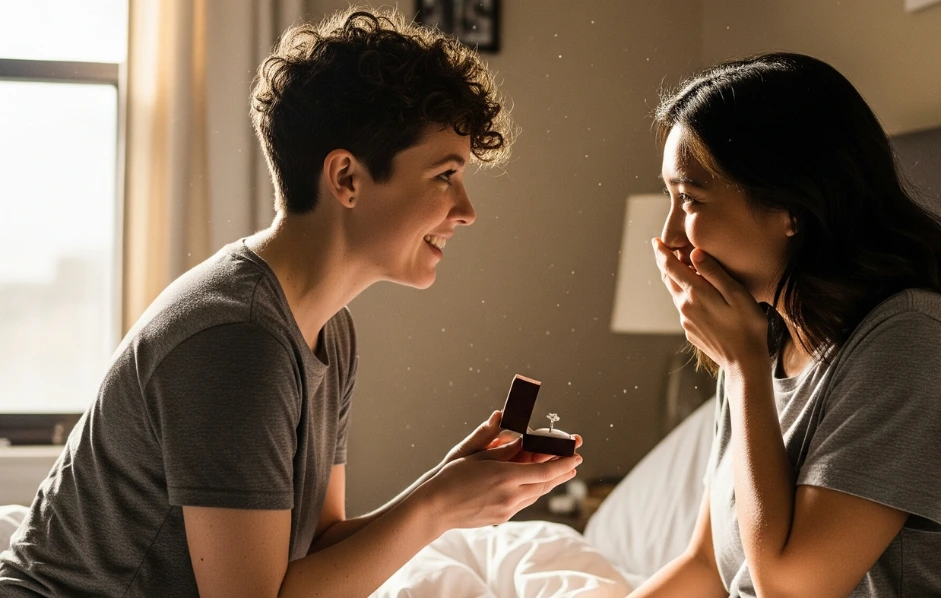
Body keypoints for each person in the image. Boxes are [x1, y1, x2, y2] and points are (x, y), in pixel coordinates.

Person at [0, 8, 581, 596]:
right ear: (347, 178)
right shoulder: (237, 340)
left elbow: (317, 547)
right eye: (444, 175)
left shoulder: (329, 329)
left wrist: (446, 488)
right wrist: (436, 507)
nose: (466, 210)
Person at [633, 53, 941, 597]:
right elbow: (708, 569)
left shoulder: (918, 344)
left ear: (791, 208)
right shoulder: (766, 336)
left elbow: (792, 589)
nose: (669, 236)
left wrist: (743, 368)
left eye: (689, 199)